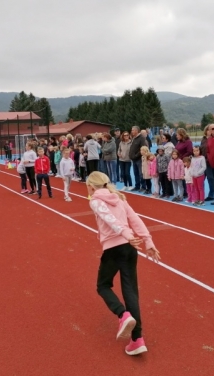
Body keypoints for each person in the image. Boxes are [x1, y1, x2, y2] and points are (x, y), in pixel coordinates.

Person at [86, 171, 160, 356]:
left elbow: (109, 219)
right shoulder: (119, 198)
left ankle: (122, 314)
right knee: (130, 291)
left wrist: (126, 234)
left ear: (91, 186)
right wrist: (148, 241)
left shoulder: (95, 201)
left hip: (114, 247)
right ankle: (137, 339)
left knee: (102, 286)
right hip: (129, 249)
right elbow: (135, 219)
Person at [129, 126, 148, 192]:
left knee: (141, 173)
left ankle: (143, 187)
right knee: (135, 173)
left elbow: (143, 148)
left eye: (133, 130)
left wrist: (136, 155)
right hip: (134, 160)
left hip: (139, 159)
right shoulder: (133, 138)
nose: (132, 131)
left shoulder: (141, 138)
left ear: (137, 131)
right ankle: (137, 186)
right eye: (132, 130)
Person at [200, 127, 214, 201]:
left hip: (209, 162)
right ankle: (201, 194)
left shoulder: (213, 139)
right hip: (202, 161)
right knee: (201, 178)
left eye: (211, 130)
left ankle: (211, 194)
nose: (210, 131)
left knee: (210, 178)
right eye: (208, 130)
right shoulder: (203, 139)